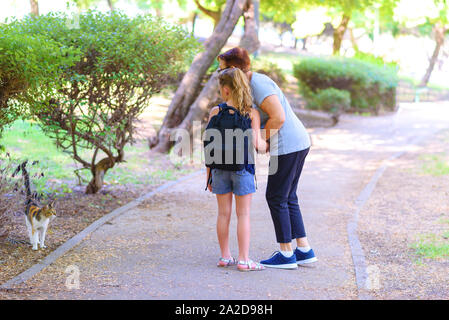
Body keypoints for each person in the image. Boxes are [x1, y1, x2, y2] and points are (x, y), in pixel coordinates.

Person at [217, 47, 317, 269]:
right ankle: (303, 249)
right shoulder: (249, 84)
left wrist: (263, 140)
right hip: (296, 142)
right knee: (289, 196)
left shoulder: (258, 84)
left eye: (222, 69)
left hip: (288, 144)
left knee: (276, 197)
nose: (219, 73)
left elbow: (278, 117)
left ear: (234, 69)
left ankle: (286, 254)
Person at [205, 67, 267, 272]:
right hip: (243, 169)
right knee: (244, 215)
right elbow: (258, 145)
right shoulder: (251, 113)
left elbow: (208, 146)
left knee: (223, 214)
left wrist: (209, 177)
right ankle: (243, 260)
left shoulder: (216, 112)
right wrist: (266, 145)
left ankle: (225, 257)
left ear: (225, 90)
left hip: (219, 170)